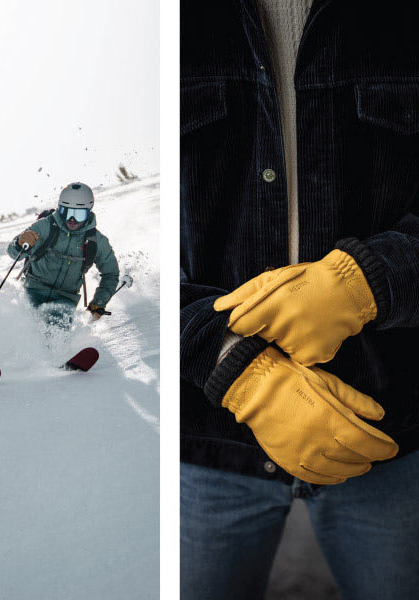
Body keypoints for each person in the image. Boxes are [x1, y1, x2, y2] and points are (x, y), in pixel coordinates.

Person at [180, 2, 419, 599]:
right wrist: (230, 363)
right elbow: (124, 260)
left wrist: (370, 279)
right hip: (207, 445)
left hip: (390, 429)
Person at [8, 182, 119, 328]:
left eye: (78, 215)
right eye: (66, 212)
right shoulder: (45, 226)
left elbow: (111, 273)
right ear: (60, 209)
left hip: (64, 300)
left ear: (88, 212)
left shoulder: (95, 241)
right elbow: (12, 252)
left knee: (56, 330)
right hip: (32, 290)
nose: (71, 220)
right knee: (21, 326)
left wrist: (99, 301)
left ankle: (56, 350)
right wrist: (19, 243)